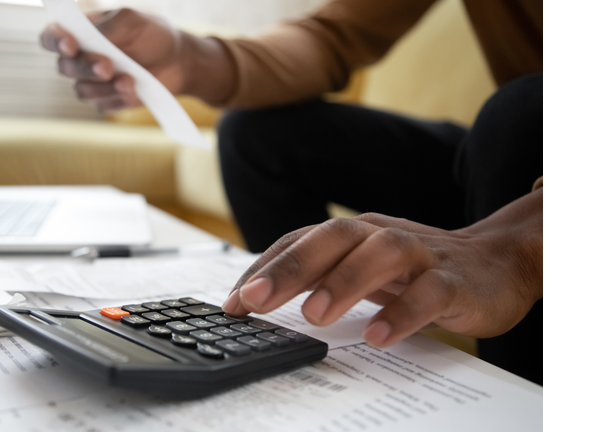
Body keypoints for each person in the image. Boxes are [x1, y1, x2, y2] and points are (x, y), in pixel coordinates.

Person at [40, 0, 543, 385]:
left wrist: (526, 247)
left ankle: (525, 398)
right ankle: (298, 336)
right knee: (255, 131)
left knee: (524, 113)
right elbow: (333, 36)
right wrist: (187, 57)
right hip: (491, 161)